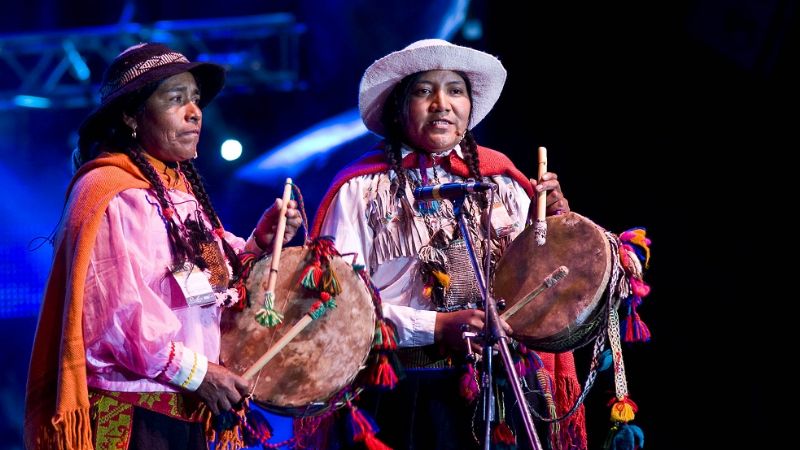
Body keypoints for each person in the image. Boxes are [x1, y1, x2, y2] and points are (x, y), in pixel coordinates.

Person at [24, 43, 302, 450]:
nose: (195, 112)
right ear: (131, 115)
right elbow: (115, 319)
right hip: (133, 413)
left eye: (195, 99)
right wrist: (199, 373)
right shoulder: (111, 192)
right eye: (175, 99)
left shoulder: (176, 192)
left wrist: (261, 241)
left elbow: (211, 282)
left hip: (183, 408)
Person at [310, 39, 585, 449]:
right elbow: (337, 305)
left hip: (504, 386)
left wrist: (556, 224)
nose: (442, 104)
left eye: (455, 90)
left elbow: (544, 284)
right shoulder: (361, 189)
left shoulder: (504, 180)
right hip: (404, 389)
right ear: (399, 107)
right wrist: (436, 327)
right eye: (424, 91)